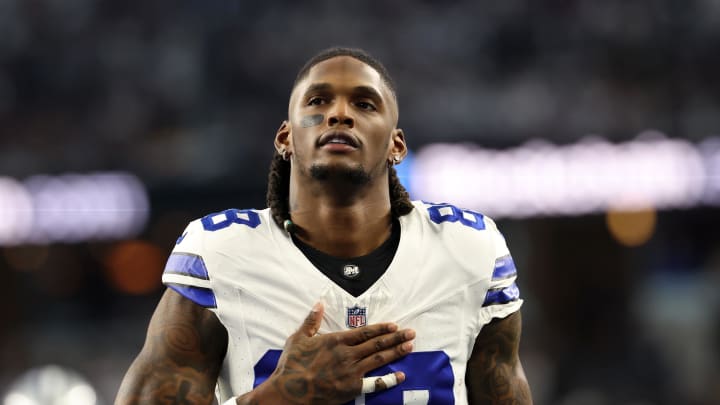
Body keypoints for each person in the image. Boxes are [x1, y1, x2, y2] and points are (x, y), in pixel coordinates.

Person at [115, 47, 532, 405]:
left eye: (365, 104)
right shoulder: (220, 253)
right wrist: (276, 397)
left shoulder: (469, 249)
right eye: (317, 102)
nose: (338, 114)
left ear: (396, 145)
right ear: (285, 138)